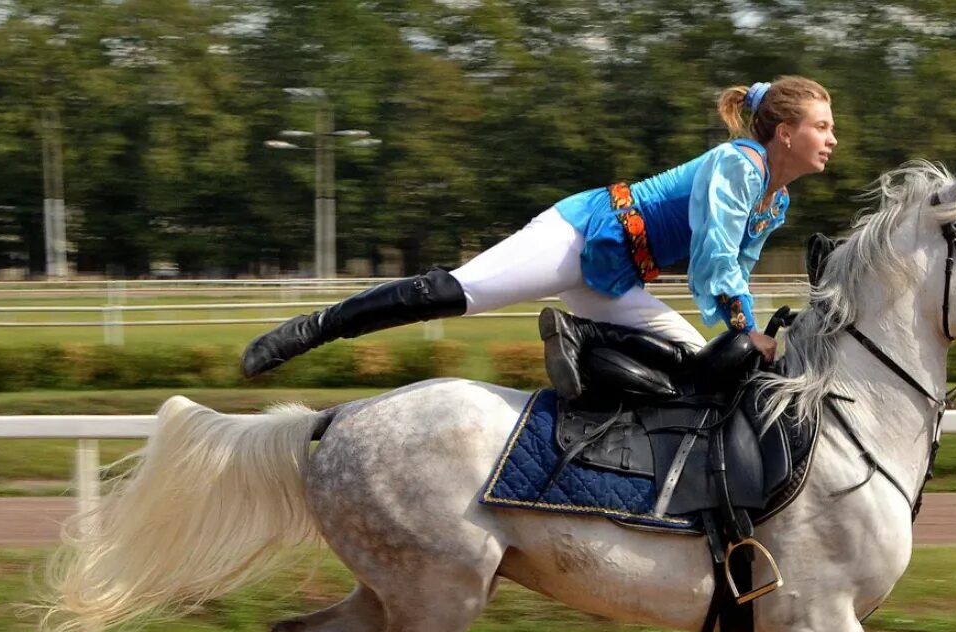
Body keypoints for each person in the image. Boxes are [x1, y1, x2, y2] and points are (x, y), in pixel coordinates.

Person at [239, 76, 837, 399]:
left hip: (614, 278)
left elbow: (739, 267)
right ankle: (311, 329)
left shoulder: (775, 198)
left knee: (691, 367)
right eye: (822, 127)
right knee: (456, 293)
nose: (832, 138)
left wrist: (747, 332)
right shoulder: (738, 164)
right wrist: (741, 329)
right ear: (784, 132)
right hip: (579, 234)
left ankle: (581, 340)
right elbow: (712, 260)